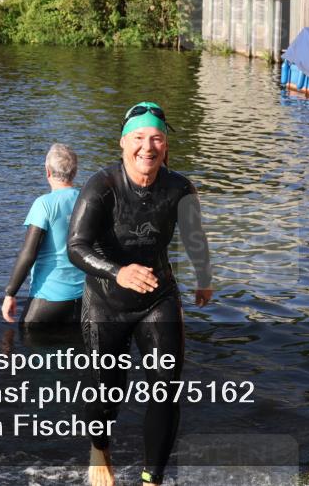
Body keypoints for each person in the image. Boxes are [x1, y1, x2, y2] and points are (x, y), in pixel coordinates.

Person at [67, 101, 212, 486]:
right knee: (107, 391)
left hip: (157, 298)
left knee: (165, 388)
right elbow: (76, 247)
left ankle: (153, 478)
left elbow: (195, 235)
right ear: (123, 143)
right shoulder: (102, 187)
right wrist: (118, 271)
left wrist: (204, 276)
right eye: (139, 138)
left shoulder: (180, 188)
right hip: (105, 302)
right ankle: (99, 448)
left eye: (156, 139)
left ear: (166, 146)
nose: (147, 147)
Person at [2, 144, 84, 326]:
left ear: (47, 171)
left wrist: (10, 293)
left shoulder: (43, 204)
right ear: (75, 172)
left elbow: (28, 254)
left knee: (25, 340)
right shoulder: (86, 199)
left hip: (47, 299)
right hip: (83, 300)